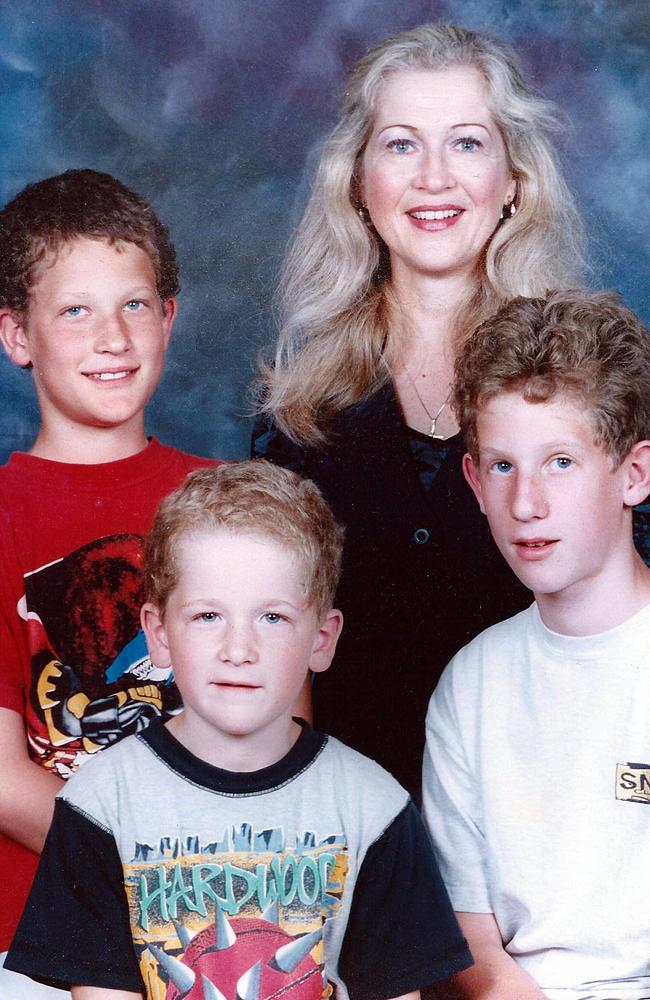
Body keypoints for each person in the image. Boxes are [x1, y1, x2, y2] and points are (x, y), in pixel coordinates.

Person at [252, 22, 587, 796]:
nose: (434, 178)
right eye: (401, 144)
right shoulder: (297, 417)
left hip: (550, 836)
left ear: (513, 181)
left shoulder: (589, 385)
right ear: (358, 183)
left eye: (467, 143)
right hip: (356, 848)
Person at [7, 460, 472, 999]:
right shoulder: (100, 803)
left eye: (272, 618)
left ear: (322, 638)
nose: (238, 650)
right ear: (158, 635)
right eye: (208, 616)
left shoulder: (374, 807)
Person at [0, 169, 217, 998]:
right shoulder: (5, 513)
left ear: (168, 317)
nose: (113, 338)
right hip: (41, 932)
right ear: (18, 336)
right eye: (75, 311)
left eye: (134, 305)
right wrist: (150, 863)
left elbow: (283, 718)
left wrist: (206, 868)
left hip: (214, 908)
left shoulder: (228, 500)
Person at [422, 290, 650, 999]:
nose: (526, 504)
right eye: (501, 467)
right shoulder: (473, 683)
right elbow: (470, 936)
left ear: (634, 474)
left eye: (560, 463)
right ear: (473, 482)